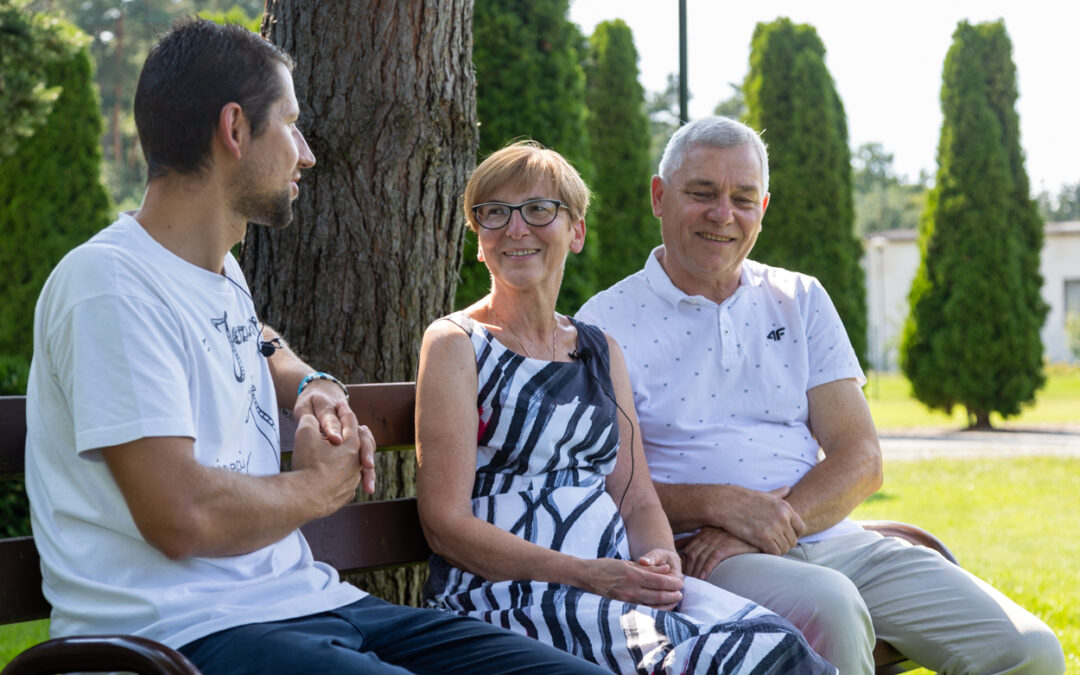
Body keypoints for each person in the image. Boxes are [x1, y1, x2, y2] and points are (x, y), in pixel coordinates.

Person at [24, 18, 611, 675]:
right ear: (236, 130)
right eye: (290, 124)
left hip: (305, 602)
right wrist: (317, 487)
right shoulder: (109, 285)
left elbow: (257, 339)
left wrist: (310, 383)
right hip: (183, 632)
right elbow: (179, 515)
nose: (305, 152)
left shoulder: (217, 274)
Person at [576, 116, 1066, 674]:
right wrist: (716, 503)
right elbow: (603, 488)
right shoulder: (603, 324)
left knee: (1029, 650)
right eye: (702, 193)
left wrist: (769, 524)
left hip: (827, 536)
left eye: (743, 198)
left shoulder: (799, 297)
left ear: (763, 208)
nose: (723, 214)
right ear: (660, 197)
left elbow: (862, 459)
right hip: (702, 557)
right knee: (831, 607)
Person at [414, 140, 835, 674]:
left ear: (577, 231)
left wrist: (660, 561)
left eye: (540, 210)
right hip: (509, 597)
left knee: (777, 644)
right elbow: (445, 524)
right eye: (494, 213)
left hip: (616, 590)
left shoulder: (598, 348)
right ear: (479, 241)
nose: (516, 228)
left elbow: (636, 500)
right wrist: (586, 574)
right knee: (720, 663)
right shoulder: (457, 342)